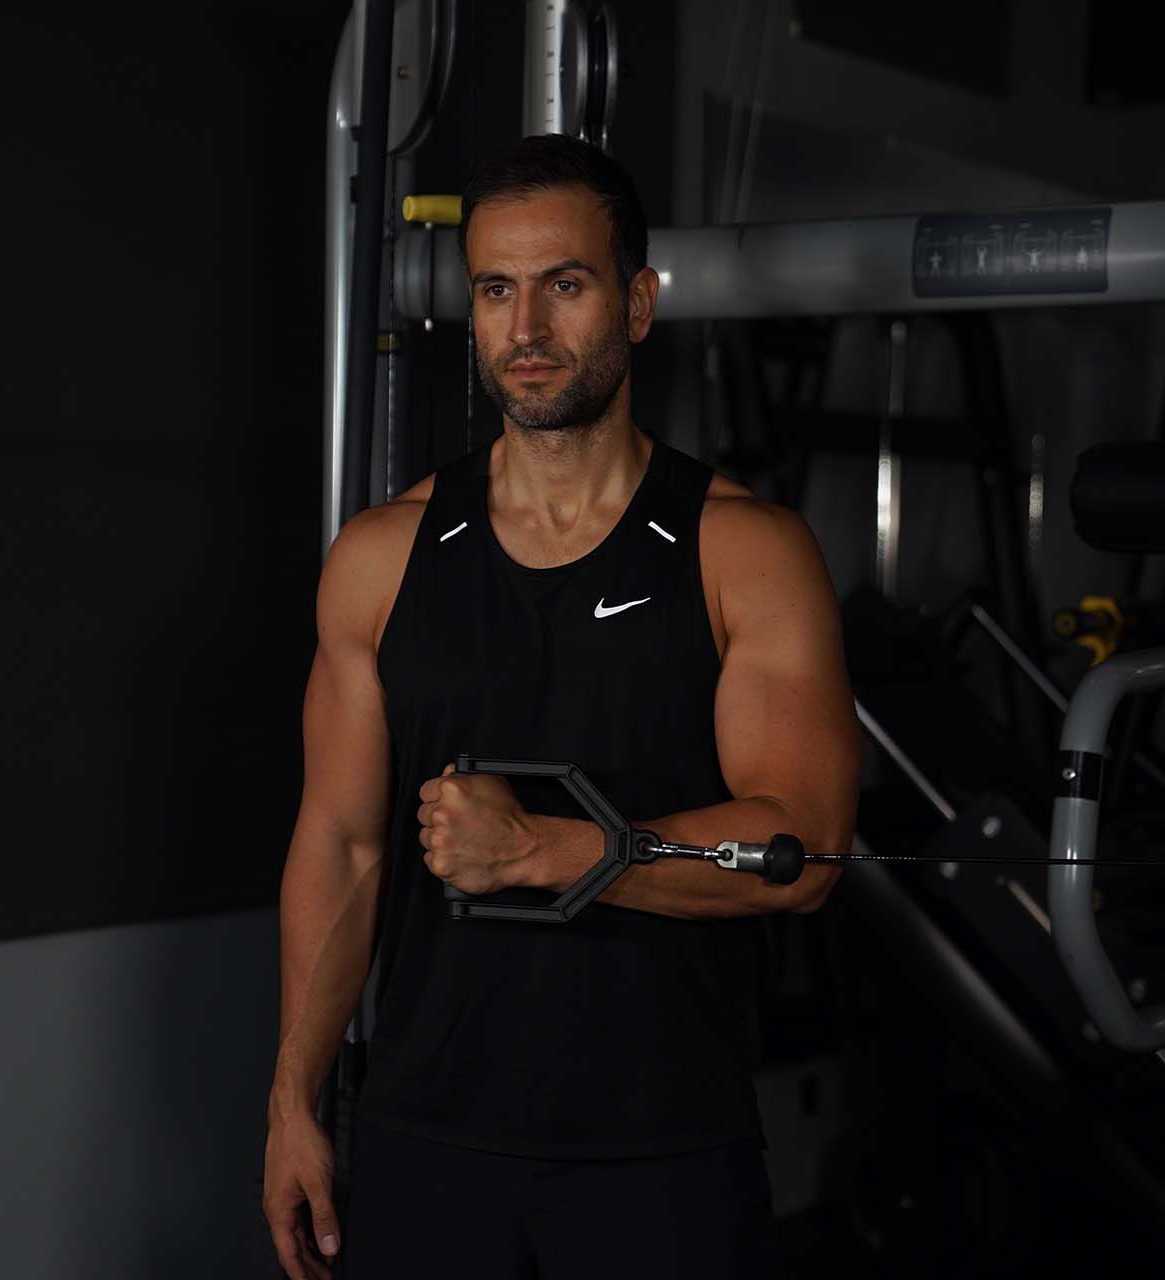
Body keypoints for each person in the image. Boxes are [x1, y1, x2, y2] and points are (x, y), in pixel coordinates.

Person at [263, 133, 860, 1280]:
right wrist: (292, 1098)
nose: (526, 327)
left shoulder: (745, 552)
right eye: (496, 289)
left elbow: (806, 846)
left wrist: (549, 850)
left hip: (663, 1149)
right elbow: (341, 845)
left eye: (565, 284)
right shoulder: (383, 557)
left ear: (638, 303)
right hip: (426, 1137)